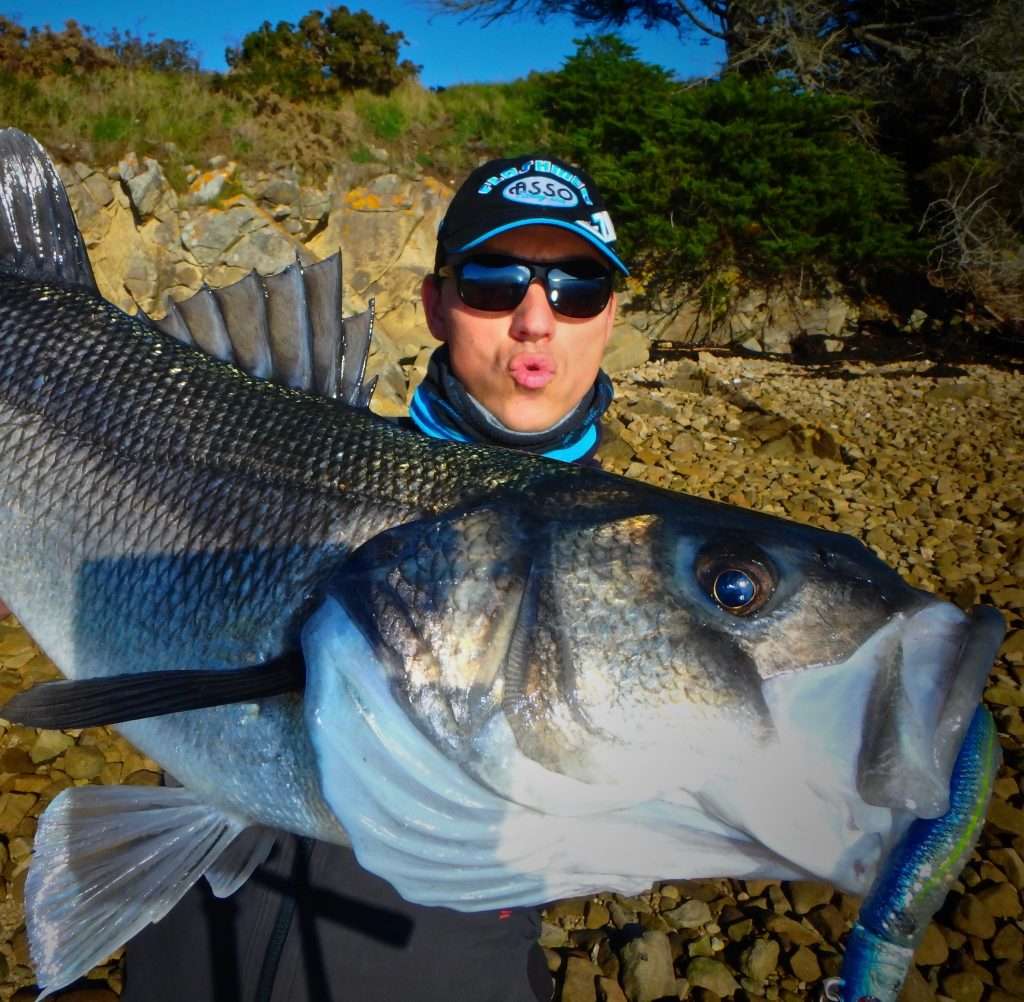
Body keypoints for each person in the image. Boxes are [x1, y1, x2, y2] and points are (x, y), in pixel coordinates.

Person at [118, 154, 629, 1002]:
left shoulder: (640, 566)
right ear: (433, 305)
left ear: (610, 317)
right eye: (496, 282)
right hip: (185, 954)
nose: (537, 320)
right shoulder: (282, 452)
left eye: (578, 287)